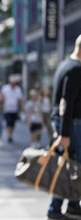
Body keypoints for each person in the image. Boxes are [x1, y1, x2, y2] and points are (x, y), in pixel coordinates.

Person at [46, 34, 81, 220]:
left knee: (71, 166)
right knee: (68, 167)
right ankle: (55, 208)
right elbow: (66, 102)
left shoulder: (65, 64)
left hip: (67, 123)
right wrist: (65, 133)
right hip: (72, 125)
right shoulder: (75, 69)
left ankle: (74, 204)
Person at [1, 75, 24, 143]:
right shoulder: (5, 88)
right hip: (7, 109)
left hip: (14, 109)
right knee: (8, 122)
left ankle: (10, 134)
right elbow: (2, 98)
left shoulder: (18, 89)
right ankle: (9, 135)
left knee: (12, 123)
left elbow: (20, 99)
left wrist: (22, 107)